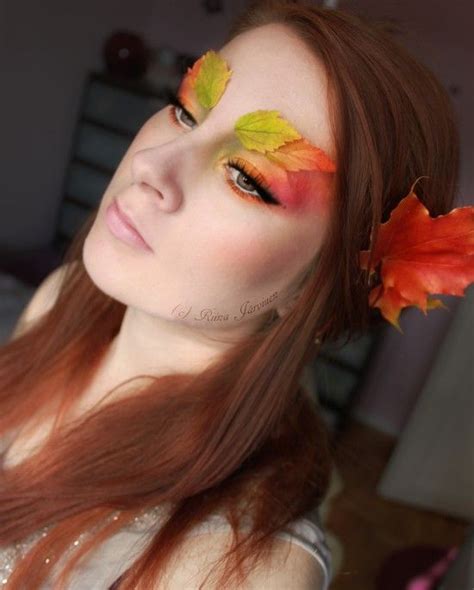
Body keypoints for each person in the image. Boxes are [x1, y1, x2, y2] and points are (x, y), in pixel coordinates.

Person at [0, 0, 461, 588]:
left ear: (319, 288)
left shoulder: (243, 567)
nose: (151, 165)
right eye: (186, 112)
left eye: (248, 178)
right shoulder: (58, 299)